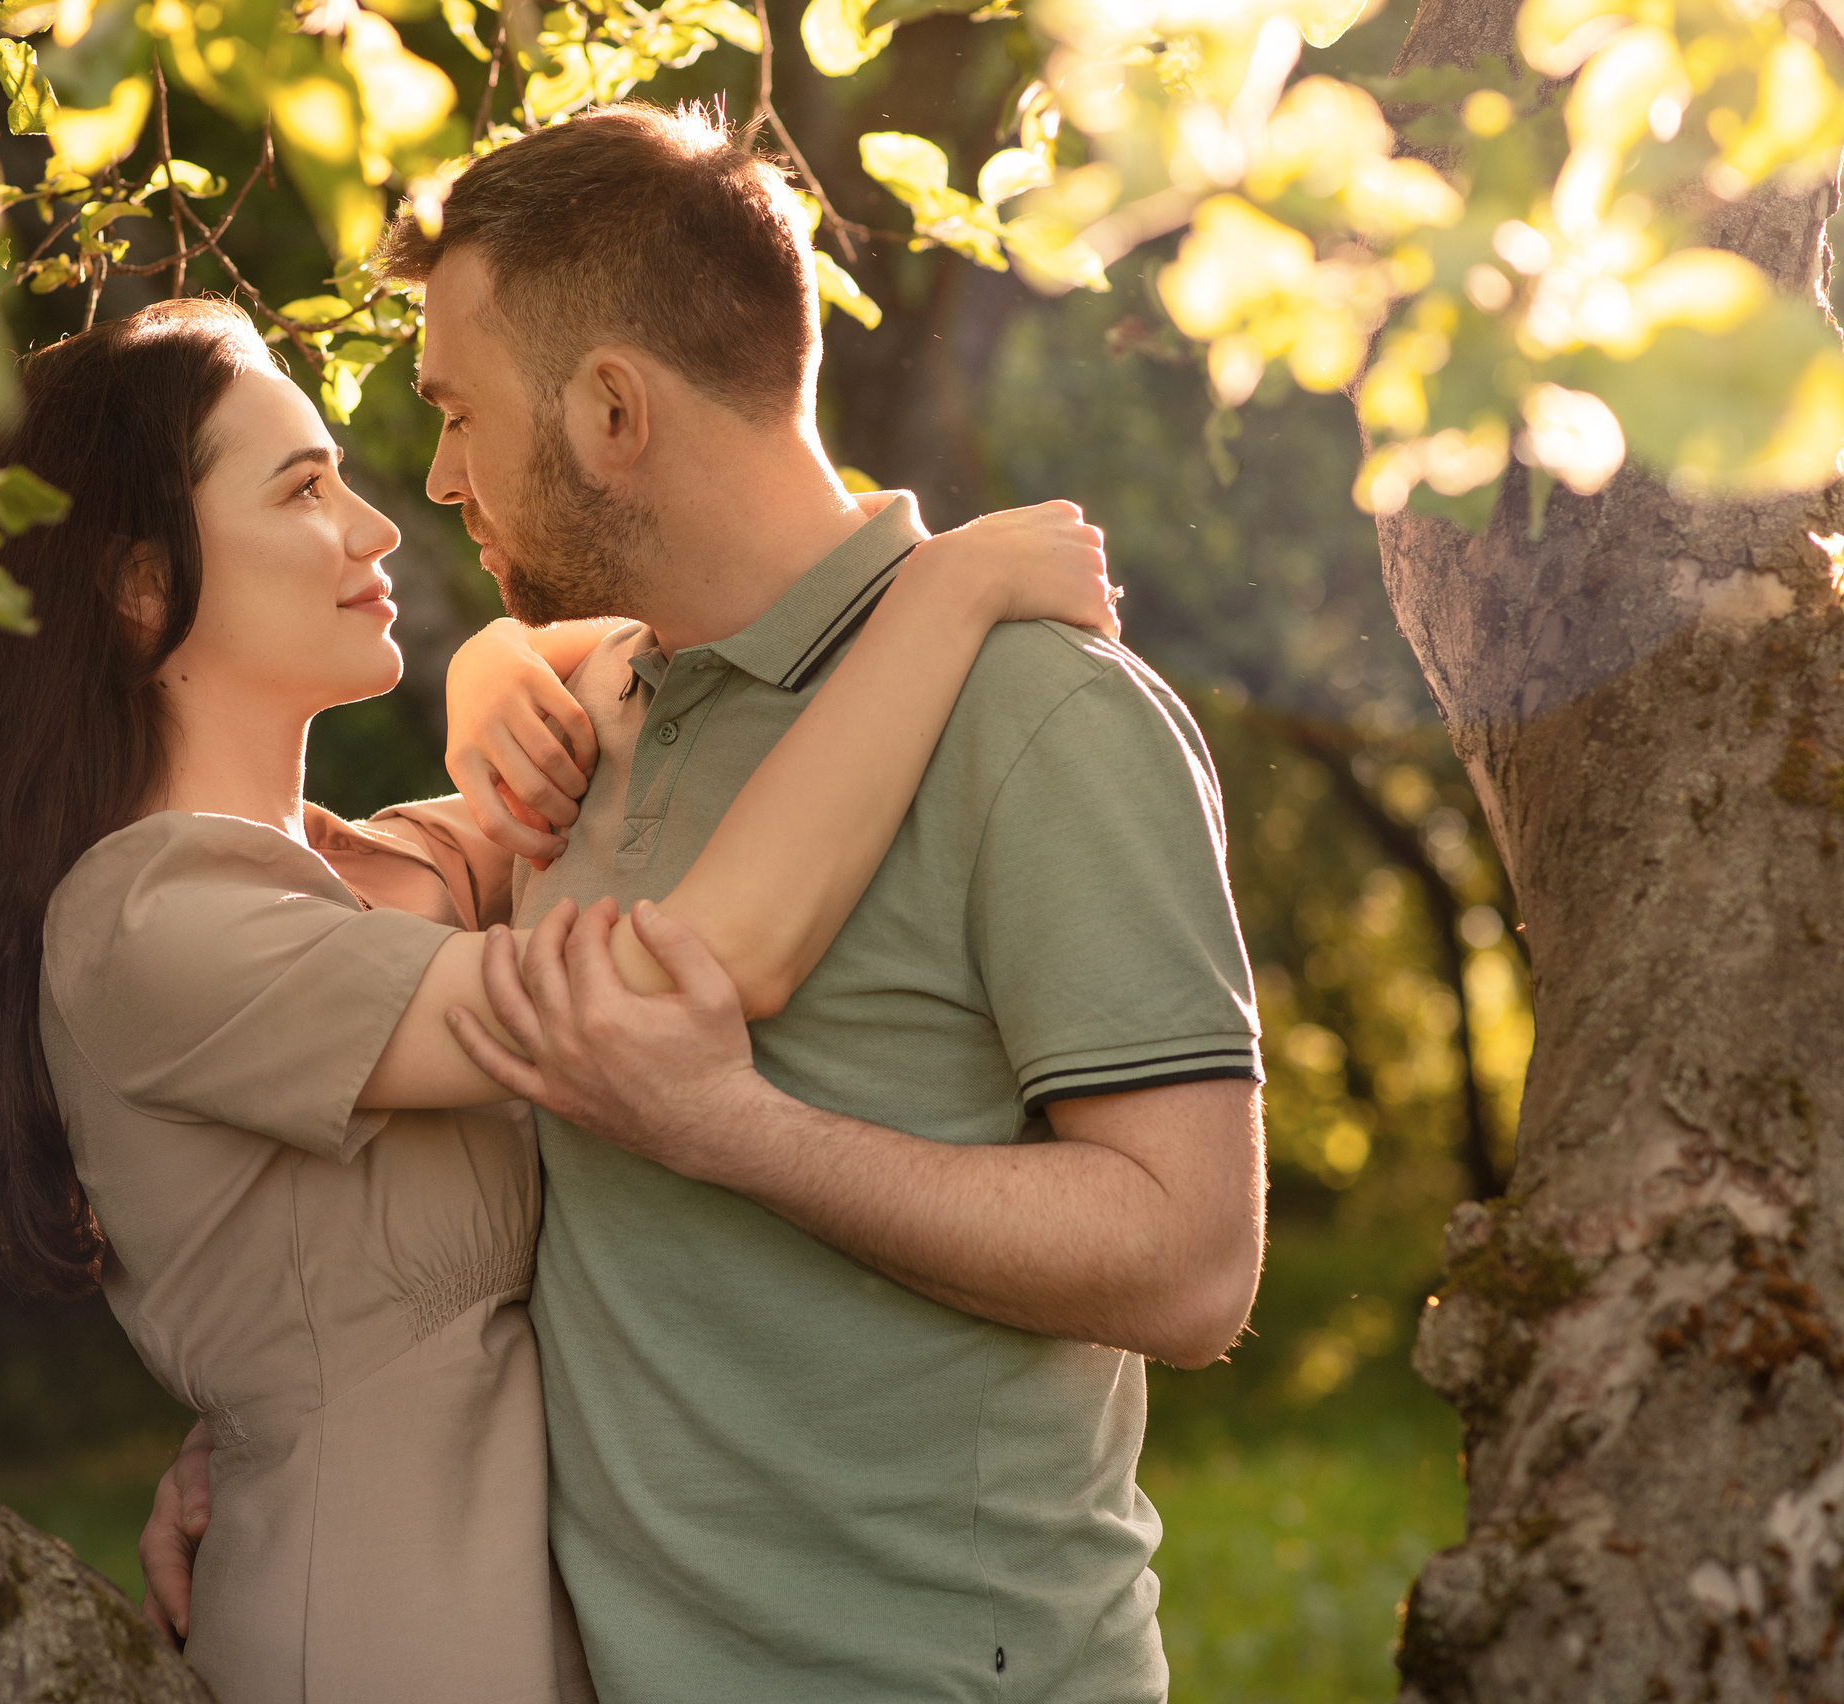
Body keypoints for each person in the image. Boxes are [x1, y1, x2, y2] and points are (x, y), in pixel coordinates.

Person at [141, 104, 1268, 1704]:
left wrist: (738, 1131)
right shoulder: (585, 720)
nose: (444, 476)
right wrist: (276, 1425)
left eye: (460, 413)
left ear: (611, 411)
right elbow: (544, 1204)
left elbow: (1189, 1262)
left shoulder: (1037, 713)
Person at [0, 294, 1117, 1704]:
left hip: (579, 1625)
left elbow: (623, 678)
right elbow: (687, 981)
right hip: (385, 1639)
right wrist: (940, 596)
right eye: (304, 491)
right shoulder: (150, 922)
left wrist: (498, 661)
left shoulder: (365, 875)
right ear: (141, 585)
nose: (379, 527)